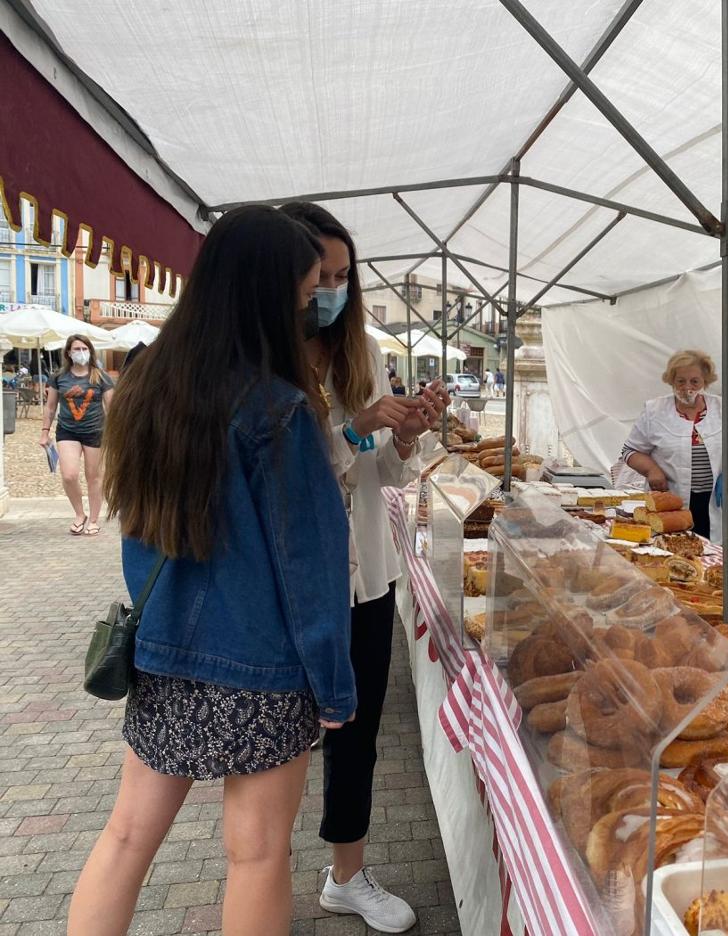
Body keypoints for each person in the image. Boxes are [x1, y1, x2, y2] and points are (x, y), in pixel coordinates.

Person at [67, 206, 355, 936]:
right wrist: (335, 686)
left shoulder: (142, 392)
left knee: (127, 838)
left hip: (165, 655)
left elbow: (138, 530)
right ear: (268, 289)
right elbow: (310, 573)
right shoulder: (279, 411)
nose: (312, 298)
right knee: (257, 856)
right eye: (306, 284)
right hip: (263, 668)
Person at [281, 202, 450, 933]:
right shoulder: (263, 363)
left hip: (368, 577)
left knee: (358, 727)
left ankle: (345, 874)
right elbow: (294, 477)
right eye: (322, 275)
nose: (333, 289)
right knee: (281, 734)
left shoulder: (363, 355)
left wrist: (407, 433)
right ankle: (256, 863)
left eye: (345, 275)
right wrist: (355, 428)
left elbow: (382, 471)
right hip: (295, 581)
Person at [621, 349, 728, 541]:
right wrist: (652, 470)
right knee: (668, 552)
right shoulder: (654, 410)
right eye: (680, 381)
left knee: (709, 559)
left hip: (712, 505)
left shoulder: (725, 409)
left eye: (695, 381)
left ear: (705, 382)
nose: (687, 388)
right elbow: (631, 451)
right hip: (669, 503)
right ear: (671, 381)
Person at [38, 334, 114, 535]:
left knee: (94, 477)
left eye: (84, 348)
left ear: (90, 351)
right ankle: (80, 514)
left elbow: (112, 407)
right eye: (76, 349)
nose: (81, 353)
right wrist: (45, 432)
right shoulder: (59, 377)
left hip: (95, 431)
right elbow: (51, 406)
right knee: (69, 474)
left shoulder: (101, 376)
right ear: (69, 353)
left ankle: (94, 519)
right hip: (67, 431)